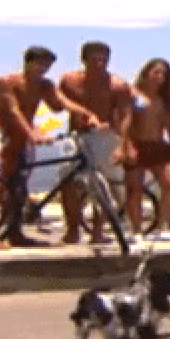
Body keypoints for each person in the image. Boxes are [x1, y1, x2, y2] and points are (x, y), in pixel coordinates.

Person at [0, 46, 102, 249]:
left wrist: (86, 114)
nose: (43, 68)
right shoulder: (7, 82)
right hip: (5, 136)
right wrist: (31, 133)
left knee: (19, 189)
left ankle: (14, 234)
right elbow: (13, 110)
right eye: (40, 63)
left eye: (47, 65)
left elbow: (62, 102)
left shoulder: (44, 85)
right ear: (28, 62)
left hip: (24, 139)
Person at [57, 41, 131, 245]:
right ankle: (72, 230)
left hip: (105, 135)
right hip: (76, 135)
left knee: (105, 183)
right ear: (84, 60)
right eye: (95, 59)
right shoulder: (69, 81)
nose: (99, 63)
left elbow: (126, 116)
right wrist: (80, 113)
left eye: (103, 59)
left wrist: (122, 144)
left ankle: (98, 231)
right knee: (68, 182)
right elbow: (58, 102)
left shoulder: (117, 85)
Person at [118, 59, 170, 241]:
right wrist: (125, 146)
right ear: (146, 73)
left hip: (159, 145)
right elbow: (125, 121)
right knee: (134, 190)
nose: (159, 77)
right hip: (137, 145)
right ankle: (136, 230)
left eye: (163, 74)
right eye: (156, 72)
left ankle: (164, 227)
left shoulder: (165, 98)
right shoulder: (133, 94)